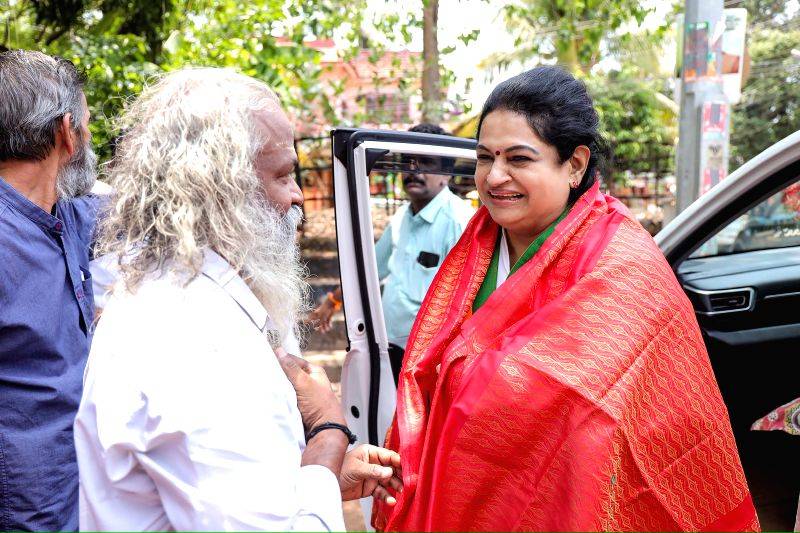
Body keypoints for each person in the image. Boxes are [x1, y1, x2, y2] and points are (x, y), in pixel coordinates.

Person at [373, 66, 759, 531]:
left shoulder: (622, 261)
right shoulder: (476, 244)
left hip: (571, 495)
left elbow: (608, 413)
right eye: (484, 158)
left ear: (574, 164)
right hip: (461, 485)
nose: (495, 176)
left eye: (519, 159)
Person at [74, 68, 401, 531]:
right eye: (284, 175)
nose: (297, 197)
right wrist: (328, 431)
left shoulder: (184, 302)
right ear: (223, 191)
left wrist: (322, 480)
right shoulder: (199, 340)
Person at [0, 50, 100, 531]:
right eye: (87, 124)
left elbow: (151, 211)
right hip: (24, 510)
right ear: (66, 132)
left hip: (76, 495)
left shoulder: (68, 217)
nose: (89, 137)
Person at [309, 123, 473, 383]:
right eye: (408, 162)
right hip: (392, 347)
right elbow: (371, 268)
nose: (413, 170)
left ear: (446, 174)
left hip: (431, 360)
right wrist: (333, 301)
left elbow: (466, 299)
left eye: (425, 163)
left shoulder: (458, 222)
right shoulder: (402, 217)